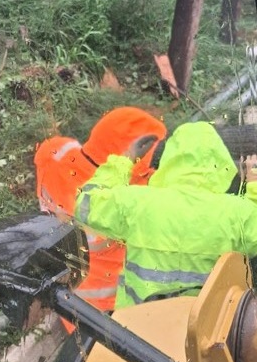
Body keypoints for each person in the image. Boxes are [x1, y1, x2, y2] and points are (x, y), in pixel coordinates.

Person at [73, 120, 257, 309]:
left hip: (137, 334)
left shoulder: (136, 203)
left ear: (170, 159)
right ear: (219, 161)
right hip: (203, 335)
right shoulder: (234, 212)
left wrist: (124, 160)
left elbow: (85, 205)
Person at [34, 106, 167, 326]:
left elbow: (52, 150)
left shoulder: (56, 154)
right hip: (118, 308)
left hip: (71, 303)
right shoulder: (127, 199)